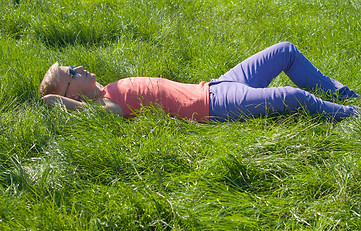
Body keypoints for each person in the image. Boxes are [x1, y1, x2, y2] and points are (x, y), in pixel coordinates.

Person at [40, 42, 359, 122]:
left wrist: (66, 83)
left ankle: (344, 94)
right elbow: (50, 101)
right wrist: (56, 97)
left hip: (217, 85)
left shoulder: (108, 89)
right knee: (291, 95)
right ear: (72, 95)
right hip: (215, 105)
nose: (78, 67)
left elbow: (60, 95)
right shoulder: (105, 105)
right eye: (70, 72)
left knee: (285, 51)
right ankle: (350, 115)